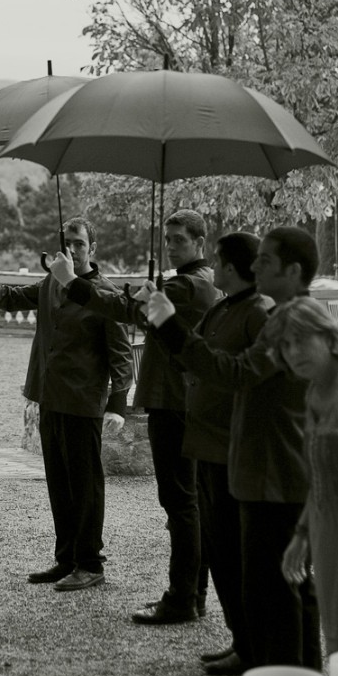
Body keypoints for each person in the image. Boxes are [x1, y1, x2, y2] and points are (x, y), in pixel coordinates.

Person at [144, 225, 322, 676]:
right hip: (265, 465)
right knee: (279, 588)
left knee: (278, 592)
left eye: (265, 259)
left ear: (293, 271)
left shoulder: (289, 319)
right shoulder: (283, 314)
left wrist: (169, 325)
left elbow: (238, 373)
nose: (255, 265)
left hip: (276, 470)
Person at [0, 216, 133, 591]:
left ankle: (90, 563)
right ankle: (66, 559)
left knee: (85, 487)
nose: (72, 250)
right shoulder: (50, 283)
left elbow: (122, 356)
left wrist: (117, 405)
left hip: (83, 402)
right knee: (59, 485)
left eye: (79, 244)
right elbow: (7, 298)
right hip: (50, 398)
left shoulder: (104, 294)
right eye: (67, 243)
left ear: (93, 249)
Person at [50, 209, 218, 623]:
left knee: (181, 502)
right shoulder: (190, 281)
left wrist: (72, 282)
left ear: (200, 243)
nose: (170, 246)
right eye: (167, 239)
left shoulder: (188, 284)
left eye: (179, 239)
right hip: (179, 399)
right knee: (187, 501)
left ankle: (183, 597)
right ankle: (192, 593)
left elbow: (123, 309)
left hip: (174, 401)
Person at [182, 232, 271, 669]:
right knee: (218, 551)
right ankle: (241, 639)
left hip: (230, 448)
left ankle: (253, 647)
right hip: (206, 445)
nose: (211, 268)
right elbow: (193, 352)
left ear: (232, 268)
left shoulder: (258, 312)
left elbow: (242, 375)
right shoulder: (221, 307)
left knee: (236, 555)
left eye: (217, 261)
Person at [270, 296, 338, 654]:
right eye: (285, 344)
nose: (293, 352)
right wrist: (302, 535)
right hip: (332, 539)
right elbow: (322, 476)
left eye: (301, 339)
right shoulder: (315, 388)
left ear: (328, 336)